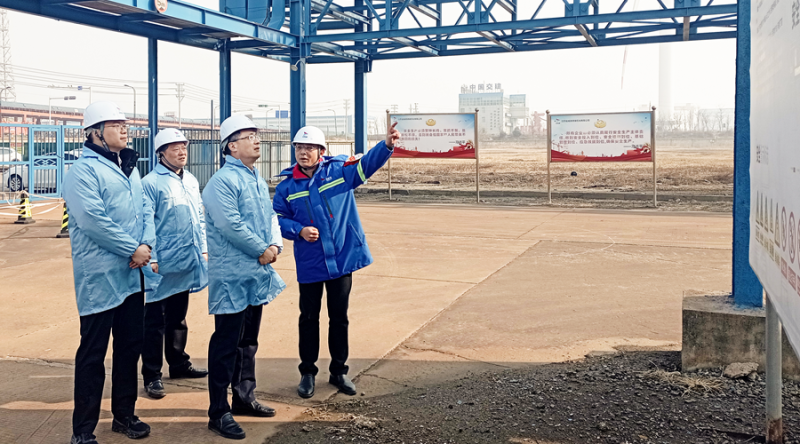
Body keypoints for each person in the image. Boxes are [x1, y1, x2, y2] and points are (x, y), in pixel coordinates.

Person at [273, 122, 400, 399]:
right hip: (311, 262)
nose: (303, 152)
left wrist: (386, 146)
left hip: (341, 259)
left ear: (321, 151)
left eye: (309, 148)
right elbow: (277, 219)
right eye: (299, 147)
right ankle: (307, 373)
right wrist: (298, 230)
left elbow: (366, 165)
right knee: (309, 318)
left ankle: (339, 372)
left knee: (339, 317)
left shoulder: (340, 172)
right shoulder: (286, 187)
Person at [63, 101, 159, 444]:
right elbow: (93, 221)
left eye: (124, 124)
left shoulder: (129, 168)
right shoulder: (82, 172)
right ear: (95, 133)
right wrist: (132, 249)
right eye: (115, 124)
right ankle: (83, 430)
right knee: (93, 353)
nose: (124, 129)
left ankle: (124, 415)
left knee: (129, 347)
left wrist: (146, 244)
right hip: (101, 276)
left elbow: (145, 209)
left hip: (132, 274)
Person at [202, 114, 286, 440]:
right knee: (226, 344)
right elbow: (230, 225)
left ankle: (244, 396)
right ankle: (218, 411)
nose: (257, 140)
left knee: (248, 341)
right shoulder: (221, 182)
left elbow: (270, 215)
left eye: (256, 135)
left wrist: (274, 244)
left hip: (254, 273)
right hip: (232, 275)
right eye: (249, 136)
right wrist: (260, 249)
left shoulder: (256, 179)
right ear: (232, 147)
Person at [140, 128, 209, 400]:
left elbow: (199, 218)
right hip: (162, 261)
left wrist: (203, 248)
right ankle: (152, 375)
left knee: (178, 316)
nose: (182, 152)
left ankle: (178, 363)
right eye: (175, 148)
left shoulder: (190, 179)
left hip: (185, 258)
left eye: (184, 147)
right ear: (161, 153)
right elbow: (146, 222)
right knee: (154, 321)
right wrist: (153, 256)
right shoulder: (150, 183)